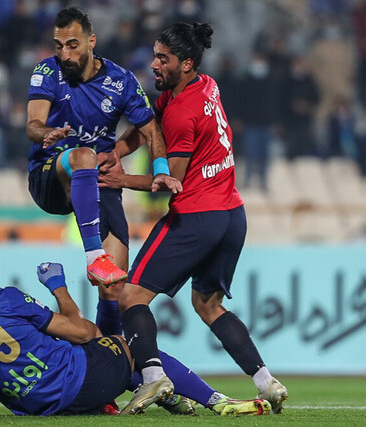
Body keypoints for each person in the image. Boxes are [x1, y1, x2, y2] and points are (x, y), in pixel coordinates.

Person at [117, 23, 288, 415]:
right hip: (232, 215)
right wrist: (116, 151)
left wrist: (118, 177)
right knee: (208, 305)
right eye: (155, 55)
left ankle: (152, 377)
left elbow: (170, 181)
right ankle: (266, 380)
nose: (154, 64)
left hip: (197, 214)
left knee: (131, 296)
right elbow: (149, 124)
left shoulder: (182, 110)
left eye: (164, 58)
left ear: (187, 63)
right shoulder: (204, 85)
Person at [0, 242, 271, 416]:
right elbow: (81, 333)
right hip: (79, 384)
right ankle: (214, 400)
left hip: (39, 407)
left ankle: (161, 396)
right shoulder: (4, 298)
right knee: (124, 345)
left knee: (76, 345)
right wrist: (58, 287)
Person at [25, 8, 181, 328]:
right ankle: (95, 257)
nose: (64, 53)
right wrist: (46, 133)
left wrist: (160, 169)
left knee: (115, 289)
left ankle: (108, 361)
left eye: (72, 44)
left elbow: (150, 131)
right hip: (50, 176)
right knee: (83, 154)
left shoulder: (120, 81)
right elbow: (33, 124)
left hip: (98, 180)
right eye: (58, 46)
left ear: (91, 41)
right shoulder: (46, 72)